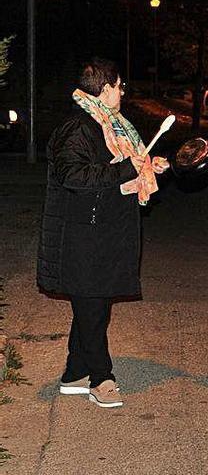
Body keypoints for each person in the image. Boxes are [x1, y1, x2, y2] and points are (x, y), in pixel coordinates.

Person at [37, 57, 170, 408]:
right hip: (84, 236)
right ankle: (101, 377)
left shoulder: (110, 125)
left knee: (94, 305)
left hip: (104, 231)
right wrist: (127, 168)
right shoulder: (80, 127)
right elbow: (73, 177)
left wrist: (145, 166)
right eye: (120, 85)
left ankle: (74, 374)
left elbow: (116, 172)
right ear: (107, 88)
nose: (122, 92)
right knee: (92, 308)